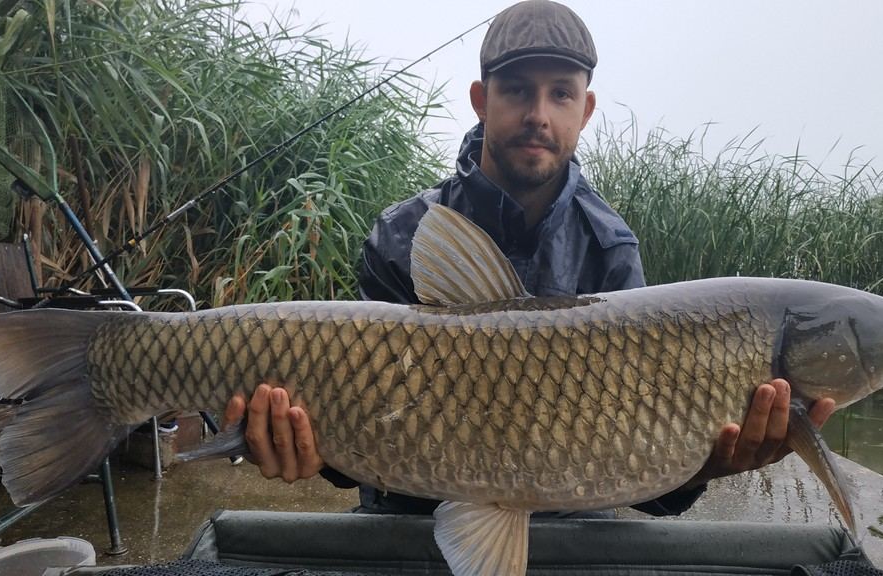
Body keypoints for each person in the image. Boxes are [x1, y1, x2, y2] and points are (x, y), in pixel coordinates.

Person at [223, 0, 834, 517]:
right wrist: (304, 448)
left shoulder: (609, 248)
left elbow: (649, 486)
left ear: (585, 110)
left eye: (560, 93)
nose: (538, 114)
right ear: (480, 100)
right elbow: (357, 426)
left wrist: (710, 462)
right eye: (516, 90)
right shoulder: (404, 234)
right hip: (411, 523)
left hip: (567, 534)